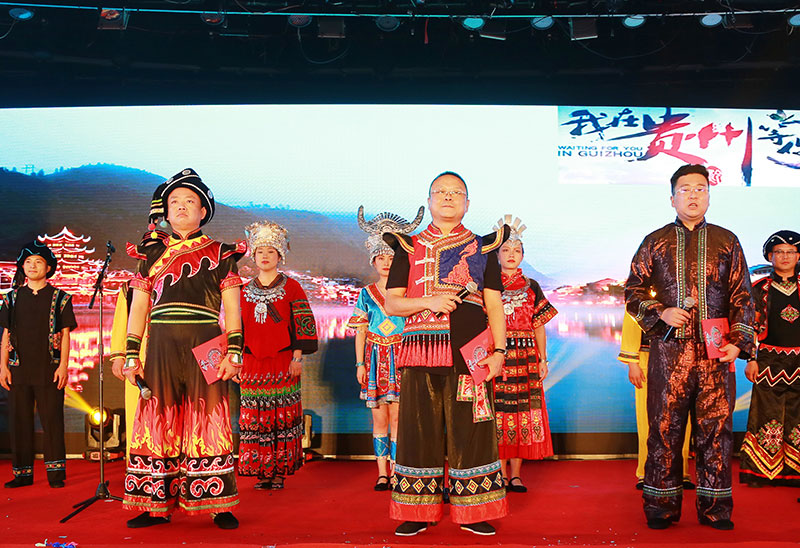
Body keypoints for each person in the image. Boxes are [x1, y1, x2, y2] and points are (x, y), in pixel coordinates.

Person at [624, 163, 755, 531]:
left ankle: (716, 509)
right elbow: (632, 291)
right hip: (668, 353)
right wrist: (661, 312)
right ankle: (660, 507)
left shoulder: (727, 241)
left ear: (709, 196)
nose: (693, 195)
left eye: (700, 188)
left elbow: (743, 296)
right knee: (664, 428)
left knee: (716, 430)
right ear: (672, 198)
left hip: (716, 352)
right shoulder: (655, 241)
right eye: (685, 189)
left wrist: (739, 343)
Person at [384, 171, 508, 537]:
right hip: (420, 352)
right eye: (441, 191)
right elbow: (392, 304)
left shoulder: (484, 248)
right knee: (417, 432)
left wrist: (500, 351)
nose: (449, 197)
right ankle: (417, 511)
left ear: (468, 203)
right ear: (429, 201)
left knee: (473, 432)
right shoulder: (408, 247)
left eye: (457, 192)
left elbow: (494, 305)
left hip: (472, 354)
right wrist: (430, 301)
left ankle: (474, 510)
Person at [121, 168, 246, 529]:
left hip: (205, 341)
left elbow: (233, 309)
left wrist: (234, 353)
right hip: (160, 342)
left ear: (203, 211)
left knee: (210, 417)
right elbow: (139, 308)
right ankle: (155, 505)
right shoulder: (150, 253)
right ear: (166, 209)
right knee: (157, 416)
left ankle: (218, 504)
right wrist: (131, 355)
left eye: (189, 201)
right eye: (174, 201)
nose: (180, 206)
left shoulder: (221, 253)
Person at [238, 220, 318, 490]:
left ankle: (279, 471)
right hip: (252, 362)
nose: (265, 256)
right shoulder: (243, 291)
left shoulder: (292, 287)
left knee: (280, 415)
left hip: (283, 360)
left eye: (271, 251)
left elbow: (302, 324)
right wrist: (236, 360)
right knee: (255, 416)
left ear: (279, 255)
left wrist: (297, 357)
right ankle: (260, 470)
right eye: (260, 251)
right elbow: (237, 329)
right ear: (253, 255)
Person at [347, 206, 423, 490]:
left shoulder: (408, 293)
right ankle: (382, 473)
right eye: (381, 257)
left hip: (402, 357)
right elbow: (361, 331)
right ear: (373, 261)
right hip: (375, 358)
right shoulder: (366, 294)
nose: (386, 262)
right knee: (379, 417)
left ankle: (399, 470)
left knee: (399, 419)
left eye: (391, 257)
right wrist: (360, 364)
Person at [0, 240, 77, 489]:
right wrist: (3, 367)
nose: (32, 266)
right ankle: (22, 474)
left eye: (38, 262)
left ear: (48, 267)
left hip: (49, 368)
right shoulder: (12, 298)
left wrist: (63, 366)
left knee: (52, 421)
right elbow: (6, 334)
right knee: (19, 421)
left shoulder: (60, 298)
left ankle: (56, 475)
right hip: (18, 368)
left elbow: (65, 334)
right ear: (22, 267)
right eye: (28, 262)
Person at [493, 215, 557, 493]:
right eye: (505, 250)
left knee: (522, 414)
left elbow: (539, 325)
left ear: (523, 255)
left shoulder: (532, 286)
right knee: (499, 412)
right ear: (497, 254)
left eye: (516, 250)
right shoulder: (489, 286)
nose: (511, 255)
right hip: (498, 356)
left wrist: (543, 359)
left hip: (527, 357)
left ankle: (516, 475)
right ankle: (498, 473)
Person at [740, 230, 800, 487]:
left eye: (791, 252)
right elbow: (749, 328)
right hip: (768, 360)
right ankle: (761, 471)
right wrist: (750, 359)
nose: (785, 256)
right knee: (765, 415)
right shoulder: (759, 289)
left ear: (798, 256)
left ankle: (795, 470)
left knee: (799, 417)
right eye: (779, 252)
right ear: (769, 256)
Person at [618, 312, 694, 491]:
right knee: (647, 417)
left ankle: (681, 472)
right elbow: (632, 318)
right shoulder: (644, 294)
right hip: (648, 356)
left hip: (683, 357)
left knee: (683, 417)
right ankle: (646, 473)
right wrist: (633, 363)